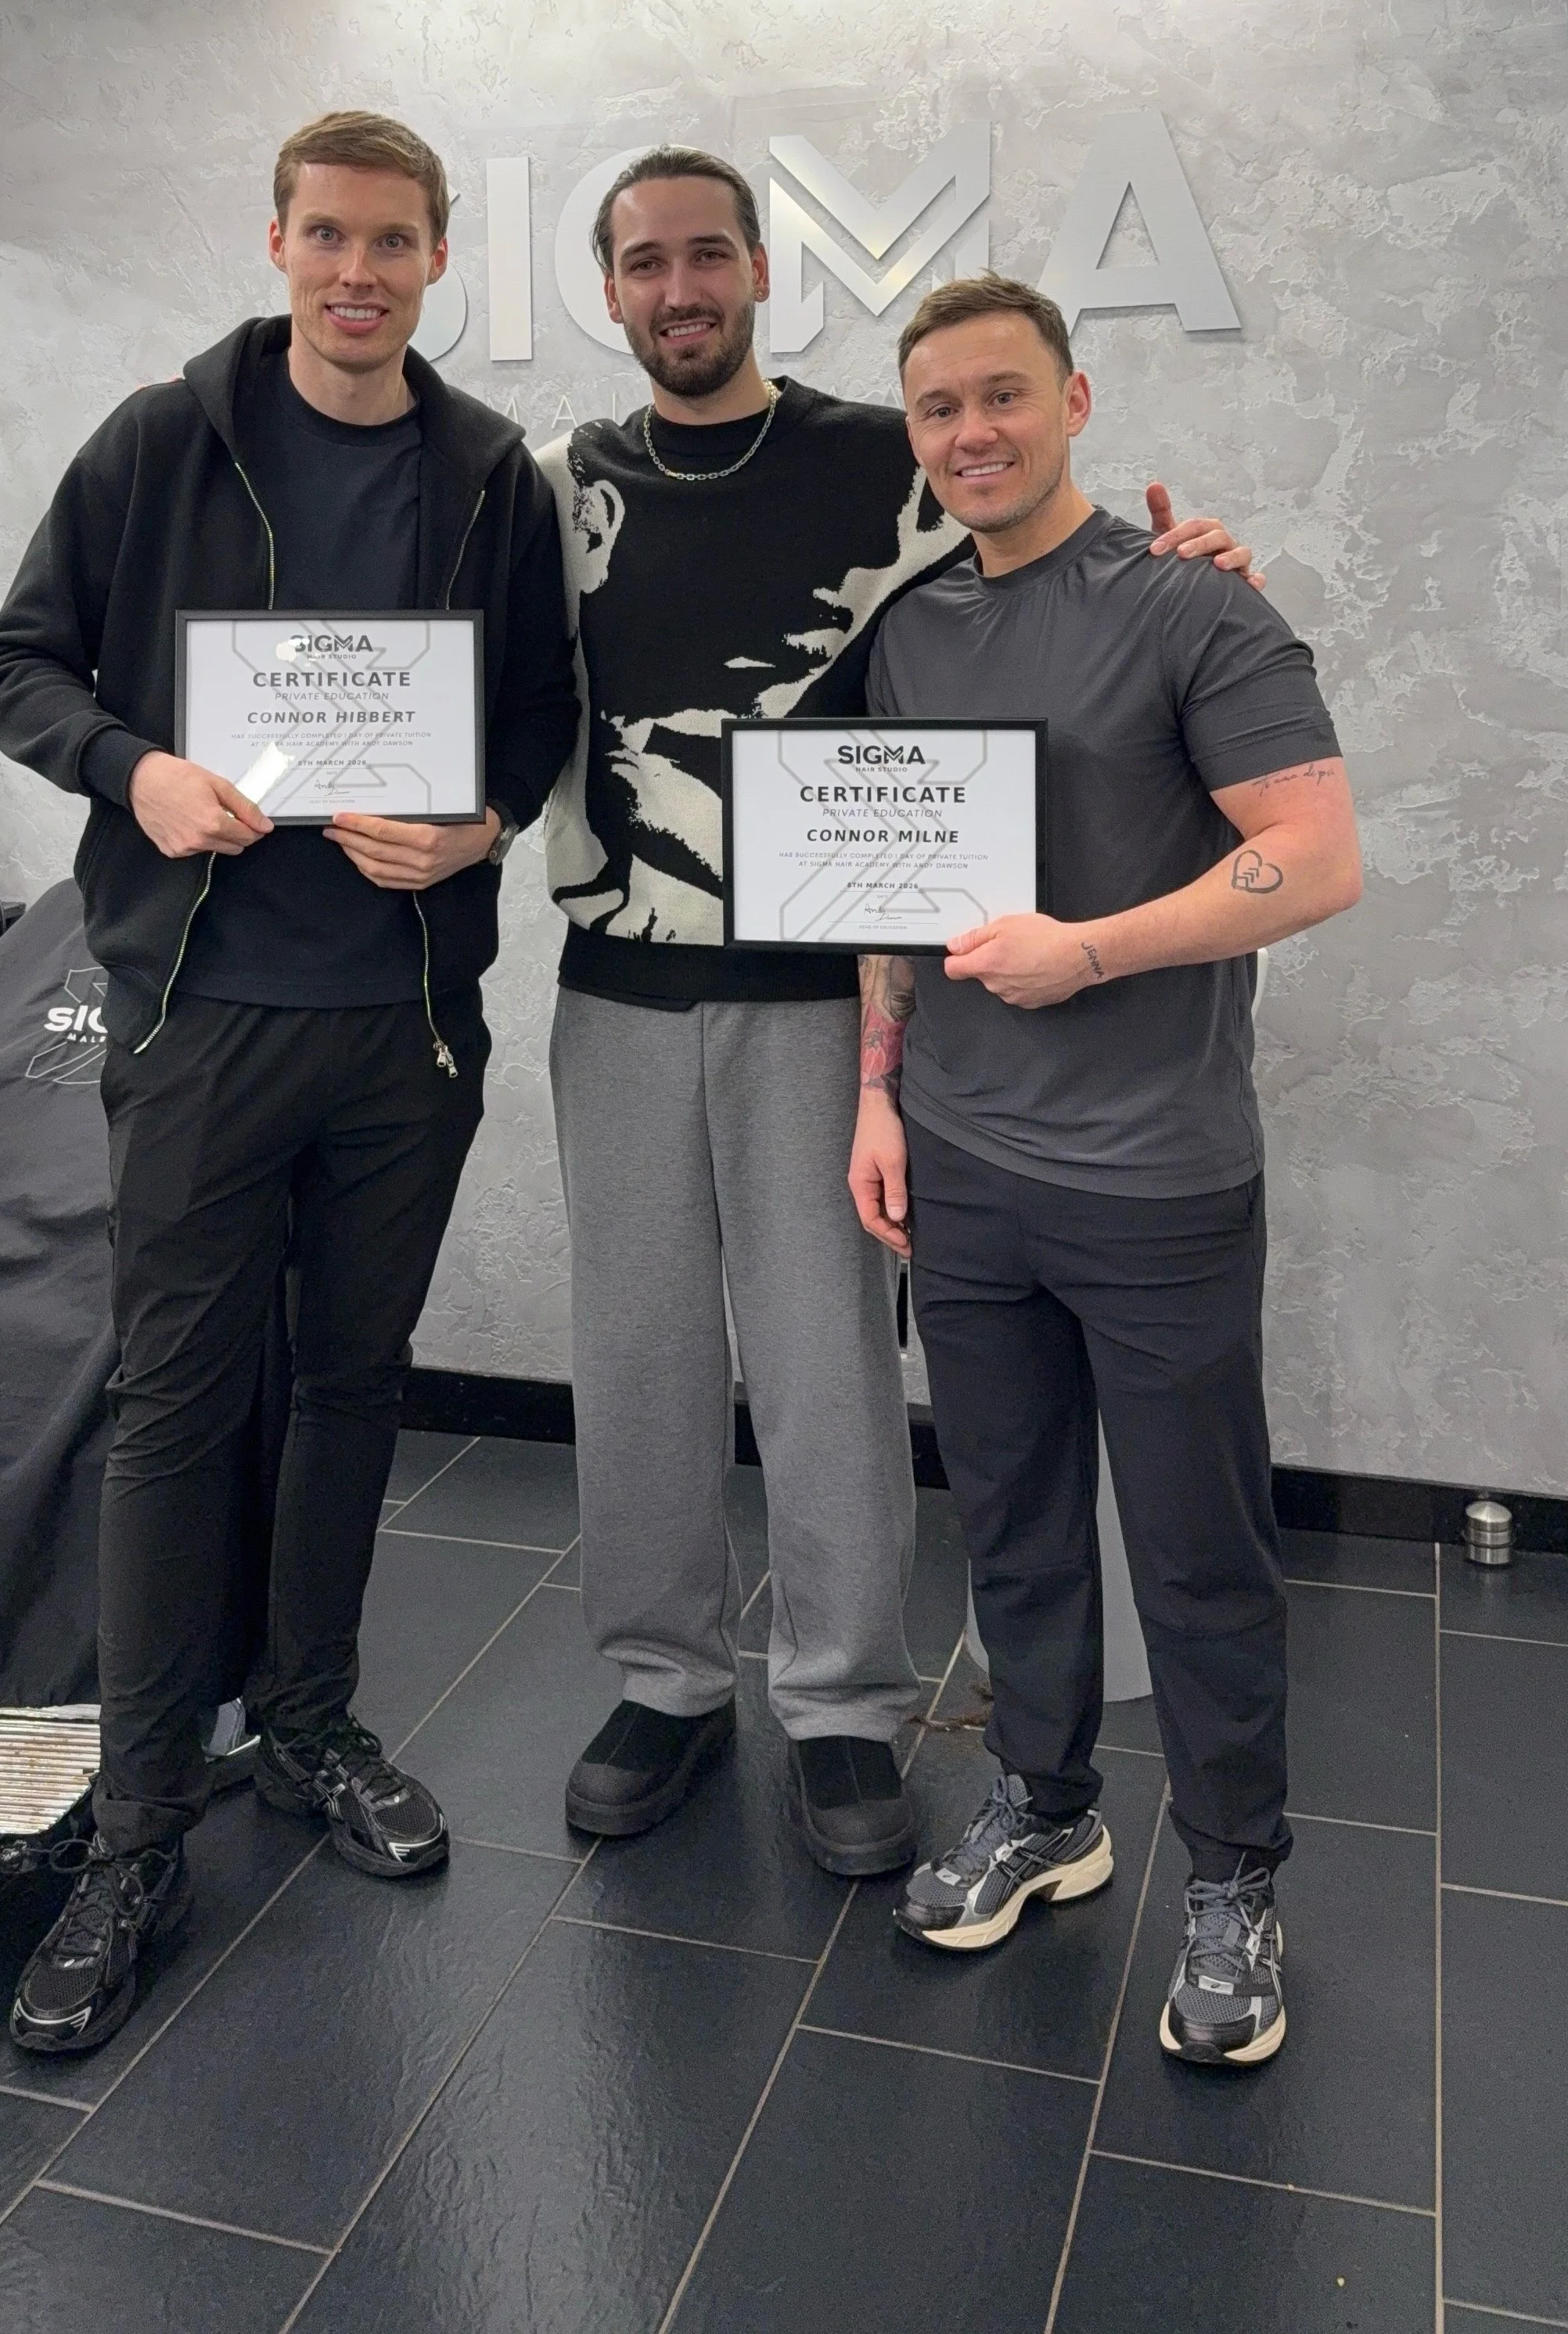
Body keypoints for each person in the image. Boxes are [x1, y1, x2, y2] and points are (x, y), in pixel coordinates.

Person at [538, 148, 1256, 1882]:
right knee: (633, 1354)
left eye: (710, 254)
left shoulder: (889, 459)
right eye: (646, 263)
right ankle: (662, 1676)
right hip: (617, 985)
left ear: (763, 271)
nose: (680, 287)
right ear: (612, 289)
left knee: (826, 1359)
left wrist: (1197, 564)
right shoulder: (555, 484)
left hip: (830, 998)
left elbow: (1052, 570)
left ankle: (845, 1704)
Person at [0, 110, 576, 2056]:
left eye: (395, 241)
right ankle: (134, 1834)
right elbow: (17, 664)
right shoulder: (162, 440)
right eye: (328, 236)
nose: (358, 271)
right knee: (172, 1406)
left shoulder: (489, 473)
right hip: (201, 1013)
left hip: (402, 1024)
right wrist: (136, 771)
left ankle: (309, 1725)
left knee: (351, 1387)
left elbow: (546, 714)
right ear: (279, 241)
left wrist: (480, 823)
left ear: (437, 258)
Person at [850, 268, 1361, 2066]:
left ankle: (1232, 1878)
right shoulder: (909, 634)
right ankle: (1050, 1802)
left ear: (1076, 399)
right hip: (969, 1165)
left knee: (1202, 1551)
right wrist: (877, 1094)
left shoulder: (1196, 610)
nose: (972, 434)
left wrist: (1096, 947)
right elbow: (889, 894)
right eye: (938, 410)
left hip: (1157, 1177)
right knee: (1008, 1520)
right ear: (914, 439)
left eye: (1002, 396)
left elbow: (1317, 858)